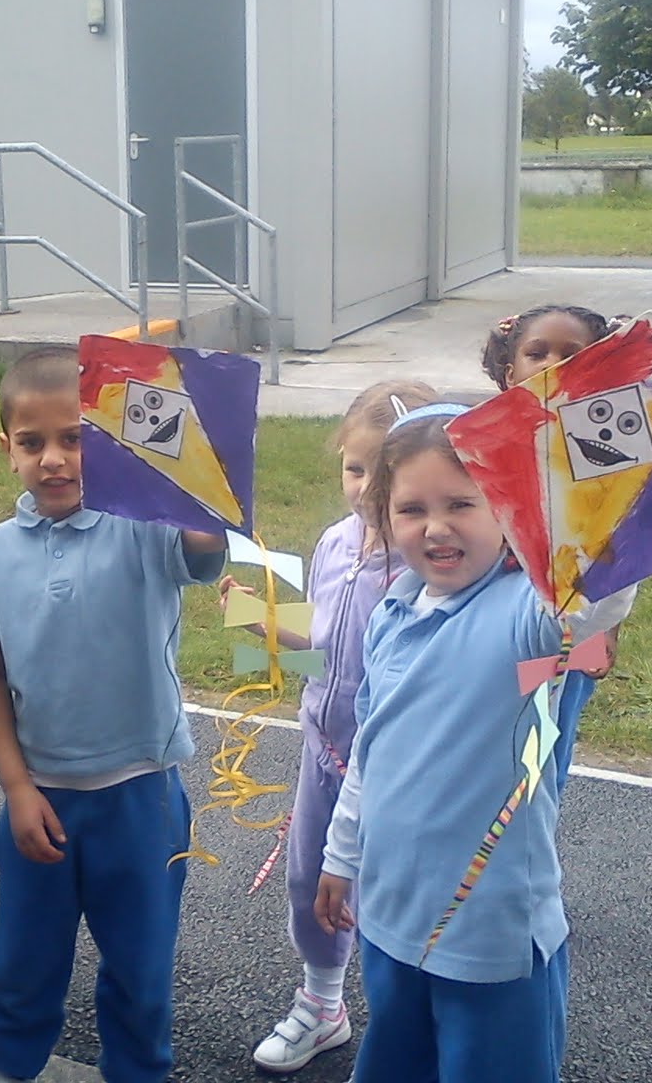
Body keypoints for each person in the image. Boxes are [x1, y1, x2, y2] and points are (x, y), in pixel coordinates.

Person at [314, 405, 622, 1083]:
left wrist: (600, 465)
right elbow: (374, 750)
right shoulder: (393, 612)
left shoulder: (526, 616)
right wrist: (341, 854)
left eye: (462, 503)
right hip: (392, 918)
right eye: (411, 509)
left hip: (491, 940)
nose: (436, 527)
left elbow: (598, 594)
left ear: (508, 507)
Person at [0, 348, 226, 1083]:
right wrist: (15, 787)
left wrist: (195, 465)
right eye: (32, 441)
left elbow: (205, 546)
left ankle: (139, 1071)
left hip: (142, 795)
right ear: (7, 450)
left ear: (106, 442)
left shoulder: (144, 527)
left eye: (75, 438)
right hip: (39, 799)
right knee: (21, 960)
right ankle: (11, 1066)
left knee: (141, 968)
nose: (54, 458)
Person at [226, 380, 438, 1075]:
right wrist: (260, 626)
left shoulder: (432, 562)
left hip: (406, 768)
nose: (365, 488)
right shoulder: (334, 544)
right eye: (354, 469)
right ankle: (322, 1004)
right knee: (312, 882)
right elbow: (323, 639)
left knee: (397, 899)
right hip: (324, 751)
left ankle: (416, 1023)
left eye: (384, 473)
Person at [479, 304, 636, 786]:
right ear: (510, 373)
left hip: (567, 642)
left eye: (573, 355)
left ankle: (529, 836)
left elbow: (622, 558)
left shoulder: (607, 460)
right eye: (537, 352)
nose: (553, 364)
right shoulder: (481, 448)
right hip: (490, 634)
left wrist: (601, 633)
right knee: (481, 744)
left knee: (539, 761)